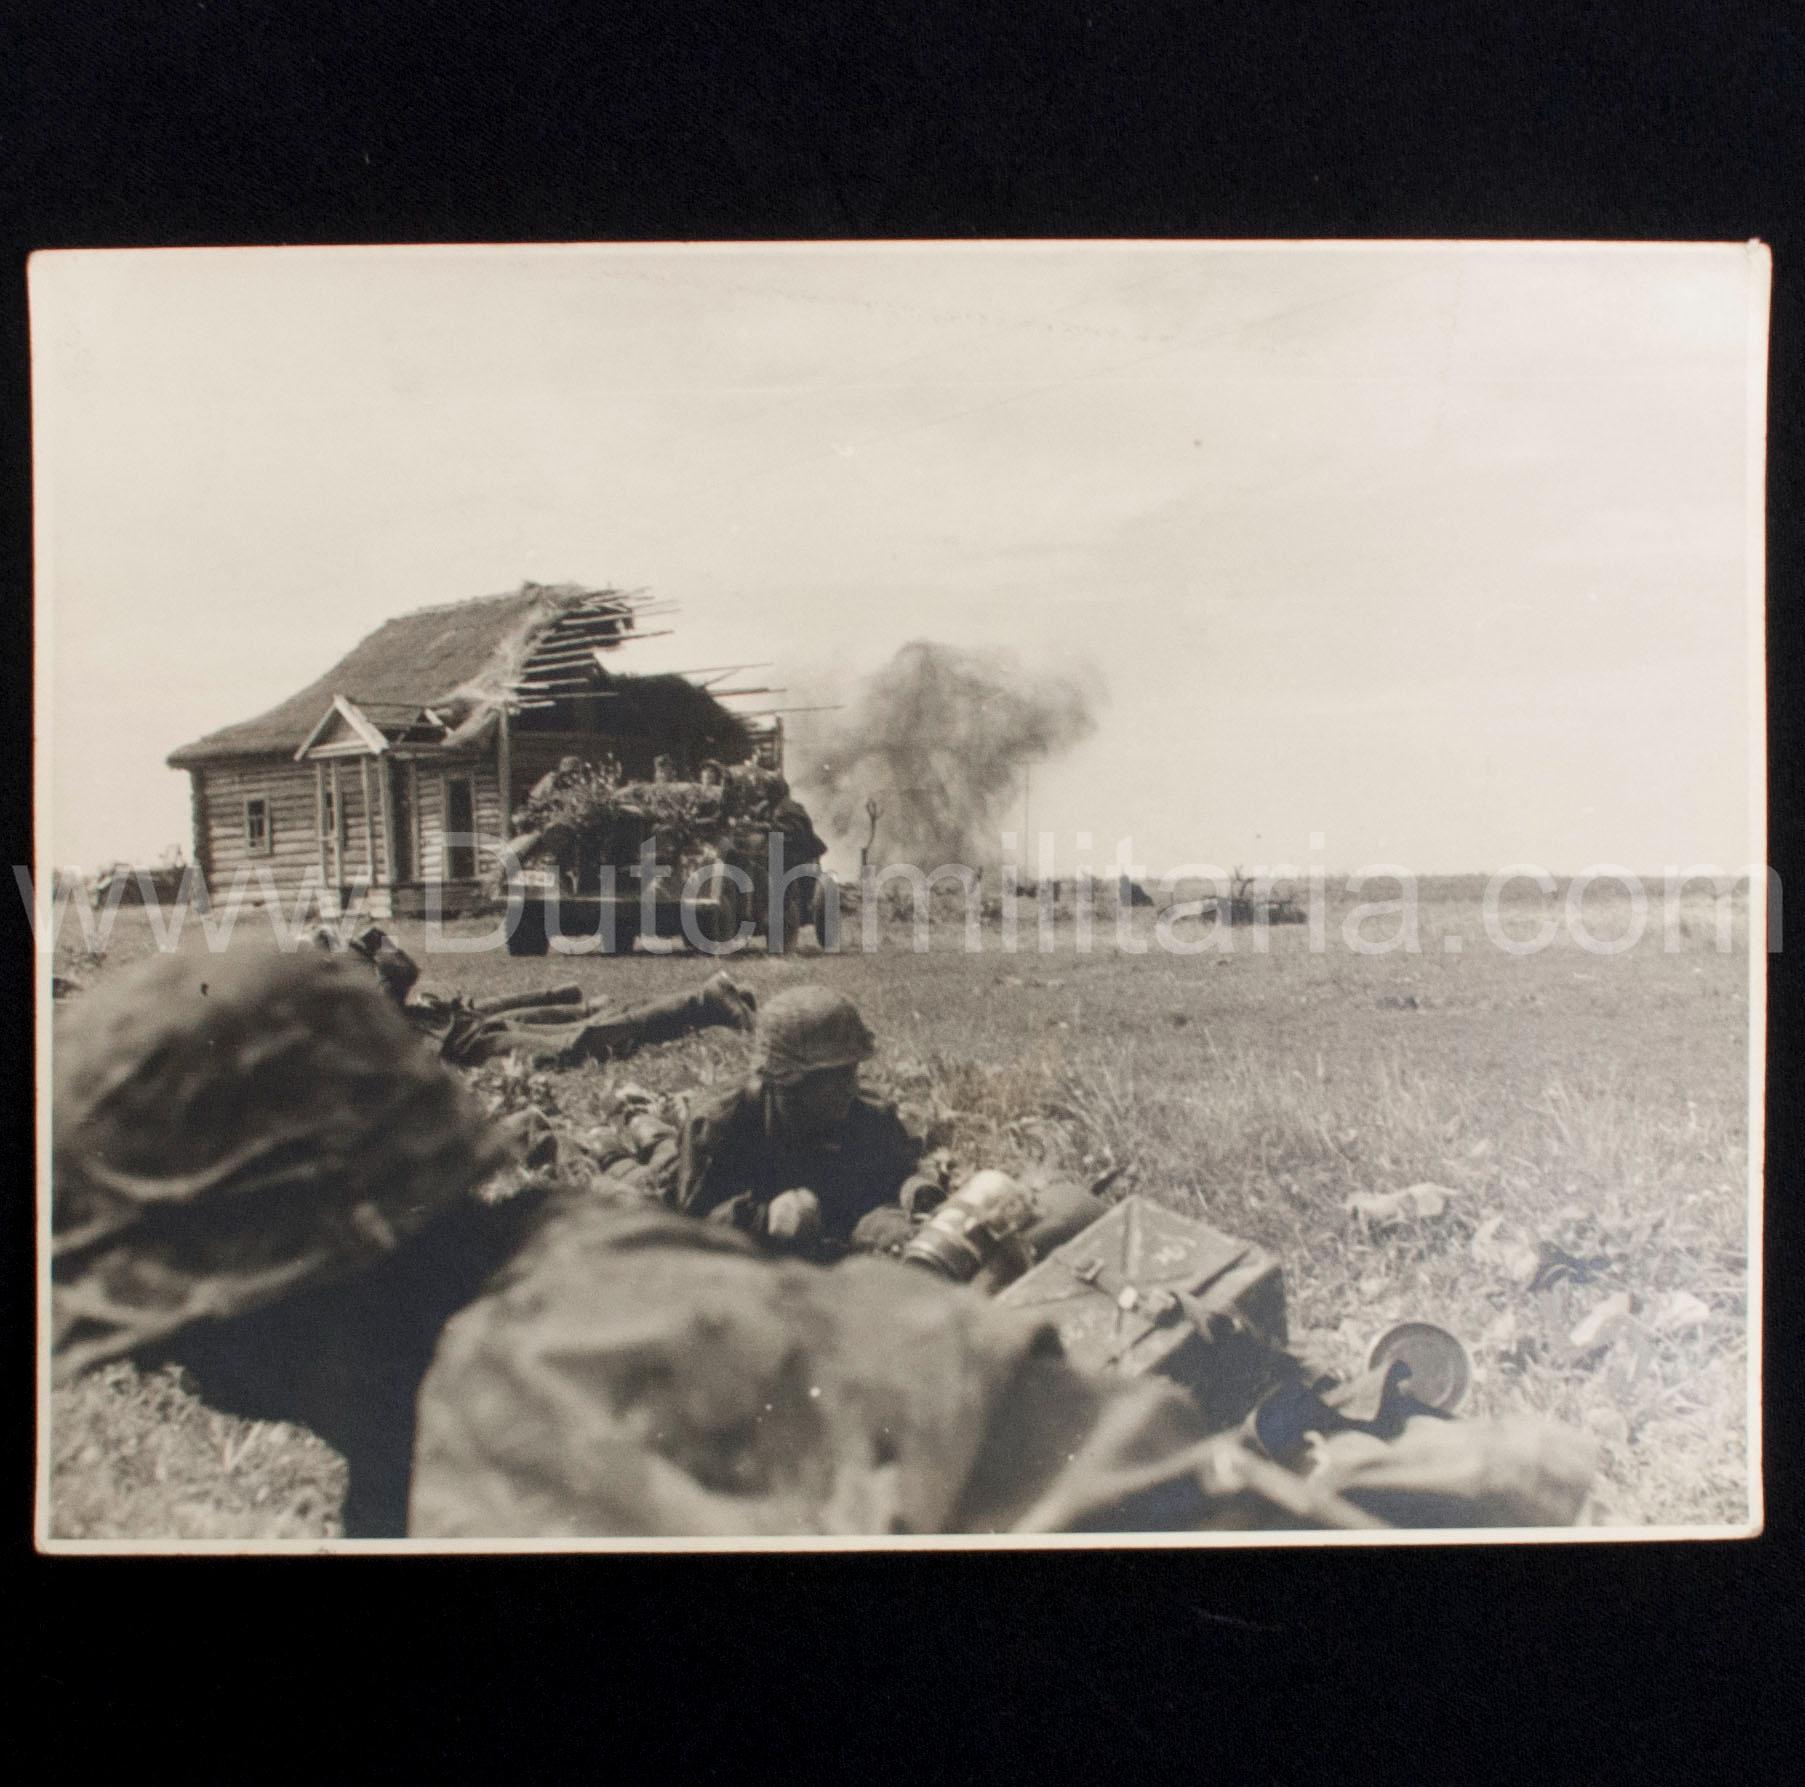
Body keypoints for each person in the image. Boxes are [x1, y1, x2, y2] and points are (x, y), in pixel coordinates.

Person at [51, 949, 1599, 1540]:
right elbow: (696, 1214)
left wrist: (898, 1227)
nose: (185, 1370)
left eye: (172, 1324)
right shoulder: (687, 1179)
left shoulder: (583, 1357)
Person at [668, 985, 944, 1257]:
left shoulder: (869, 1116)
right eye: (830, 1077)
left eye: (850, 1072)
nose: (848, 1089)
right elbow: (691, 1228)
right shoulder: (719, 1125)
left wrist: (915, 1194)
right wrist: (764, 1220)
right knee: (644, 1173)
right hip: (746, 1256)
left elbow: (896, 1178)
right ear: (786, 1080)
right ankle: (640, 1123)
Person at [312, 920, 756, 1067]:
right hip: (462, 1034)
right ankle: (713, 1002)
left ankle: (707, 1001)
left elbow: (400, 972)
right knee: (583, 1035)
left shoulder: (333, 1002)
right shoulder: (324, 1014)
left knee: (578, 1043)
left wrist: (365, 945)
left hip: (464, 1038)